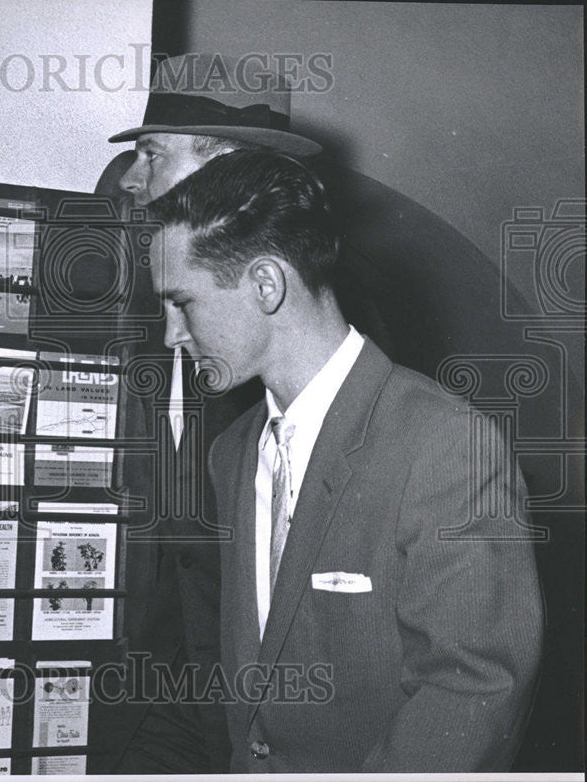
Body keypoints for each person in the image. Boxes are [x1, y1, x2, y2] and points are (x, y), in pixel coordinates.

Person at [143, 148, 544, 772]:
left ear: (266, 284)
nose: (171, 334)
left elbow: (472, 689)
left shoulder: (445, 444)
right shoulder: (231, 452)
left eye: (182, 303)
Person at [103, 54, 321, 773]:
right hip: (136, 676)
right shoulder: (121, 283)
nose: (132, 179)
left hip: (251, 686)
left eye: (151, 155)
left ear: (221, 167)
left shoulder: (314, 317)